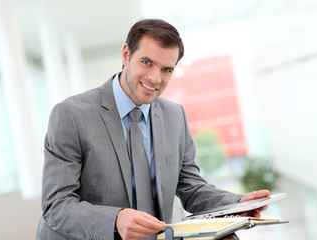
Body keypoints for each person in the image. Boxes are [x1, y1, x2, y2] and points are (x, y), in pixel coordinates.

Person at [36, 18, 270, 240]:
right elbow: (56, 205)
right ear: (126, 55)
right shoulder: (71, 114)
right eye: (146, 62)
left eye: (167, 69)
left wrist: (237, 204)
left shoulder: (174, 116)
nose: (155, 78)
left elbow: (190, 186)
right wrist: (115, 219)